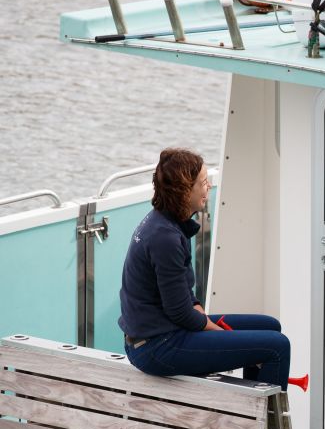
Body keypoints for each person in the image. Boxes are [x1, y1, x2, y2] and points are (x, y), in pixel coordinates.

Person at [118, 148, 291, 392]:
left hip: (161, 334)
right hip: (156, 347)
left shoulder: (165, 222)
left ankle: (251, 413)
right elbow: (181, 313)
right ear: (184, 190)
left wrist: (210, 324)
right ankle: (267, 427)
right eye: (203, 182)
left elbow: (184, 299)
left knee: (269, 326)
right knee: (277, 346)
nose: (208, 186)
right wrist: (220, 333)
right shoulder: (164, 237)